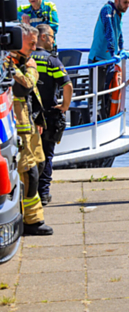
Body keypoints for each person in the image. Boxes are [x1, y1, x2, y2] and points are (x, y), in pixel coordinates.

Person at [8, 24, 52, 235]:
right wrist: (32, 68)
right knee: (30, 173)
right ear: (18, 41)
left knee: (40, 166)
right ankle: (32, 221)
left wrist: (39, 120)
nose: (35, 48)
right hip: (18, 129)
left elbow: (32, 95)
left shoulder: (22, 61)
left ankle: (26, 213)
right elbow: (25, 84)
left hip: (31, 125)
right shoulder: (8, 62)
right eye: (31, 44)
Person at [31, 24, 73, 206]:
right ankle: (44, 193)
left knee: (29, 155)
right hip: (48, 114)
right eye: (51, 37)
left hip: (28, 115)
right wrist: (64, 106)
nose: (53, 40)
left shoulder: (25, 58)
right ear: (43, 37)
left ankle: (28, 192)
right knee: (47, 154)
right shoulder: (51, 61)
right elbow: (67, 86)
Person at [88, 0, 129, 119]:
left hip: (110, 60)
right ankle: (93, 118)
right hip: (98, 59)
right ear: (117, 1)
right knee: (97, 92)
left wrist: (121, 48)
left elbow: (119, 32)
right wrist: (113, 52)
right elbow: (109, 31)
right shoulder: (107, 10)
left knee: (107, 92)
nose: (127, 6)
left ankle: (105, 116)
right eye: (125, 2)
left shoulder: (118, 13)